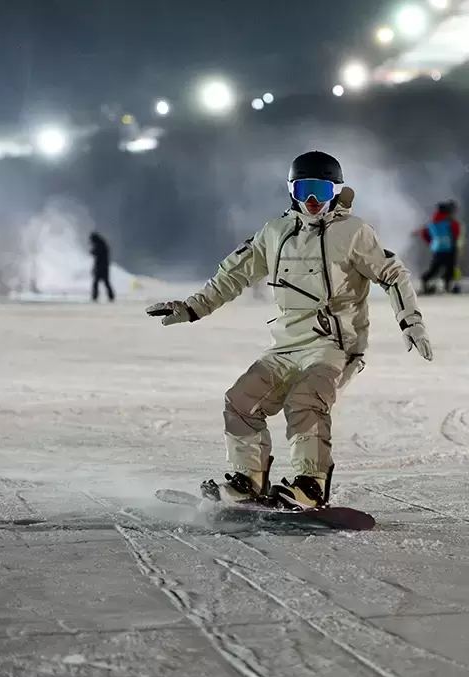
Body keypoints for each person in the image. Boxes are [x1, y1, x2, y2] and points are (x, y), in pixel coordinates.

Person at [145, 151, 432, 509]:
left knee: (305, 401)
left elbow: (392, 273)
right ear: (291, 191)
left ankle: (310, 485)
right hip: (287, 344)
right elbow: (233, 275)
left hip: (334, 344)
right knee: (241, 401)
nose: (312, 201)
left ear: (336, 192)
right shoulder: (275, 233)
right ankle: (248, 480)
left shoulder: (353, 232)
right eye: (304, 189)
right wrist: (192, 307)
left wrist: (410, 321)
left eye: (322, 191)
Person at [415, 200, 463, 294]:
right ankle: (447, 286)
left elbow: (424, 233)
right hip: (449, 248)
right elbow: (456, 233)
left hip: (437, 249)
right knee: (449, 268)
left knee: (435, 268)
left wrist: (431, 242)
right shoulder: (450, 222)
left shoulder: (432, 223)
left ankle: (425, 282)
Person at [90, 232, 115, 302]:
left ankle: (95, 296)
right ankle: (111, 296)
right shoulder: (102, 245)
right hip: (103, 267)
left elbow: (97, 255)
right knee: (105, 283)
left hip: (101, 268)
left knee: (98, 283)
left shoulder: (100, 246)